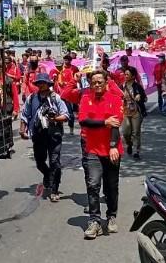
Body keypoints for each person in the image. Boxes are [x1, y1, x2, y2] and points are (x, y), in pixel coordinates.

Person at [61, 70, 124, 239]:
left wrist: (112, 146)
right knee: (93, 184)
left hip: (112, 149)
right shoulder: (85, 98)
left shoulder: (115, 98)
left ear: (106, 82)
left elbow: (116, 124)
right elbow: (83, 120)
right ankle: (94, 220)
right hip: (92, 149)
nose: (96, 85)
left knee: (111, 186)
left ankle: (111, 216)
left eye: (100, 82)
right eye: (93, 82)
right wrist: (105, 122)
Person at [19, 73, 69, 201]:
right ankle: (47, 175)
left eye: (43, 82)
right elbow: (25, 115)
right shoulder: (32, 98)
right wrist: (22, 129)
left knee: (54, 162)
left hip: (54, 135)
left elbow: (65, 115)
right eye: (39, 83)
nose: (41, 85)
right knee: (40, 162)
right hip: (38, 135)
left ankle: (55, 189)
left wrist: (54, 118)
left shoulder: (55, 98)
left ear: (48, 84)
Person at [120, 66, 147, 159]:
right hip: (125, 112)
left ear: (133, 76)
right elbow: (117, 97)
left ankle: (137, 151)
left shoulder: (137, 86)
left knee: (136, 132)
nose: (126, 76)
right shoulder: (122, 86)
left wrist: (140, 96)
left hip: (136, 112)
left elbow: (144, 97)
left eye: (128, 74)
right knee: (126, 132)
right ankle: (129, 144)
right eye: (125, 74)